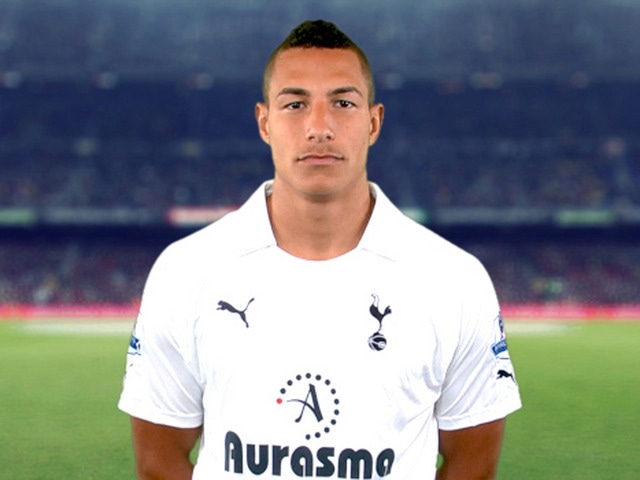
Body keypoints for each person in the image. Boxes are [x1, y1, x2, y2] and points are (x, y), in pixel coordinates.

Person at [118, 19, 521, 480]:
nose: (319, 127)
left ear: (373, 122)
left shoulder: (453, 279)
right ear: (264, 122)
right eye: (295, 104)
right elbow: (159, 462)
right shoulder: (186, 271)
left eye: (343, 103)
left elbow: (473, 463)